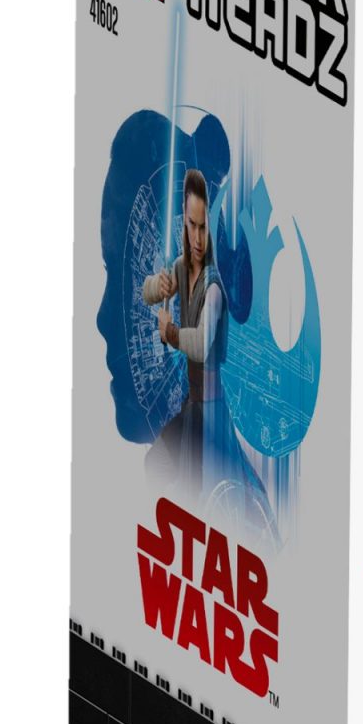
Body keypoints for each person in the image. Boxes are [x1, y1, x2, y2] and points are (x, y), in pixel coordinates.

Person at [143, 168, 224, 487]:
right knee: (157, 464)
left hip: (213, 414)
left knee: (193, 488)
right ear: (184, 221)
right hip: (193, 406)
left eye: (203, 227)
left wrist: (171, 333)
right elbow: (148, 293)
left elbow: (202, 344)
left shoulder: (213, 285)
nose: (198, 238)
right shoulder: (181, 266)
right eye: (192, 225)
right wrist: (158, 284)